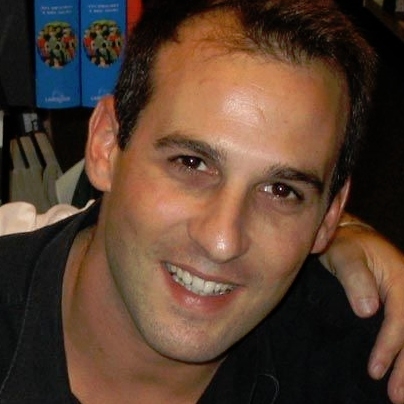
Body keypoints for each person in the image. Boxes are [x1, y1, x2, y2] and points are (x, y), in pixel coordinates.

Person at [0, 0, 403, 402]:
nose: (222, 241)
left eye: (281, 191)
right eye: (191, 163)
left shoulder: (366, 366)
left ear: (329, 216)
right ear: (106, 146)